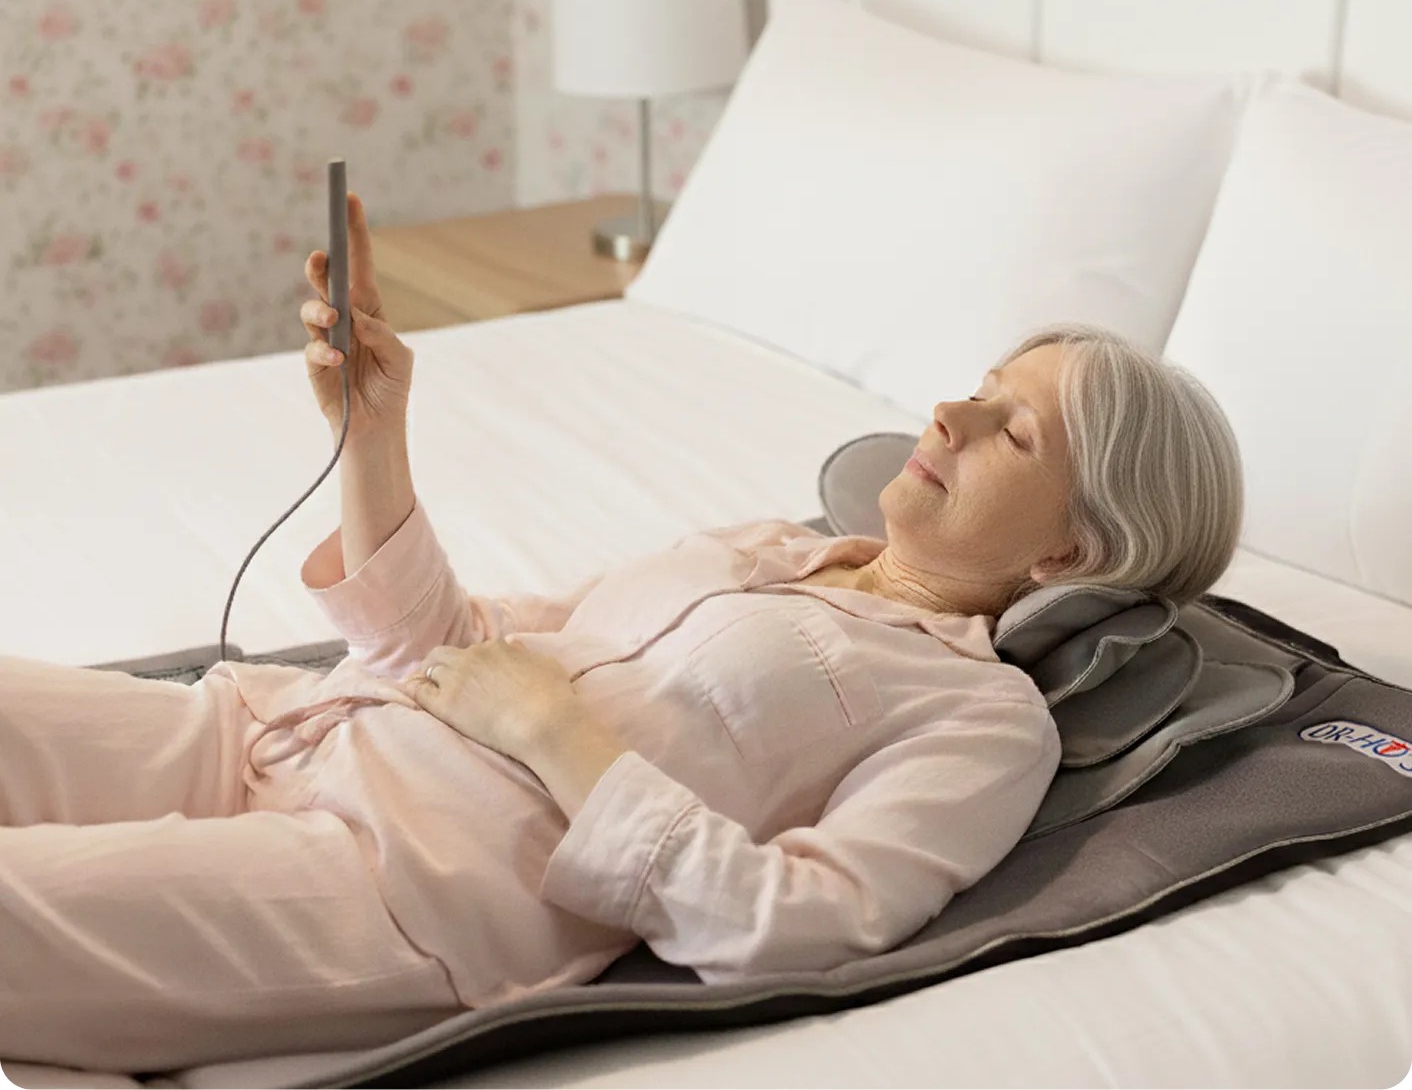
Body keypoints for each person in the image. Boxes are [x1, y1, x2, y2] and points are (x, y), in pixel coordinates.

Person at [0, 193, 1243, 1075]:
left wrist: (556, 734)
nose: (949, 410)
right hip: (285, 734)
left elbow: (794, 921)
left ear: (1069, 553)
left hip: (391, 888)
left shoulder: (981, 719)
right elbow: (458, 642)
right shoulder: (771, 543)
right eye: (980, 382)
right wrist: (375, 431)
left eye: (1011, 431)